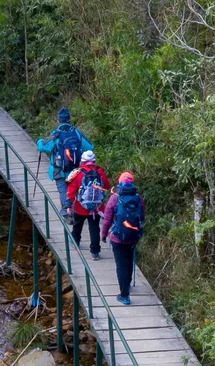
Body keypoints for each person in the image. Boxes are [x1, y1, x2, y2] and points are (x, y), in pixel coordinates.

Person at [37, 107, 93, 218]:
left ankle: (65, 212)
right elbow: (90, 146)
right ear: (70, 120)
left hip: (60, 170)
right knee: (74, 189)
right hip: (75, 169)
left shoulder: (56, 134)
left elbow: (44, 147)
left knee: (63, 190)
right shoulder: (77, 133)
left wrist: (39, 141)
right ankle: (75, 211)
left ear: (58, 121)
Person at [101, 172, 145, 305]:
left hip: (118, 237)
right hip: (133, 236)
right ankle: (128, 283)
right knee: (129, 259)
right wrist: (140, 233)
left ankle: (124, 295)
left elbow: (107, 218)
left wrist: (103, 235)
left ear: (120, 183)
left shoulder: (115, 198)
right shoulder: (138, 198)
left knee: (121, 265)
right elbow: (142, 218)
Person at [66, 150, 109, 260]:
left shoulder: (78, 173)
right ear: (94, 161)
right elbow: (107, 186)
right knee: (94, 229)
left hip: (80, 207)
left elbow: (71, 190)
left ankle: (75, 241)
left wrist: (69, 204)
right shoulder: (100, 172)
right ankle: (95, 251)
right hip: (96, 207)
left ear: (82, 161)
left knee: (77, 225)